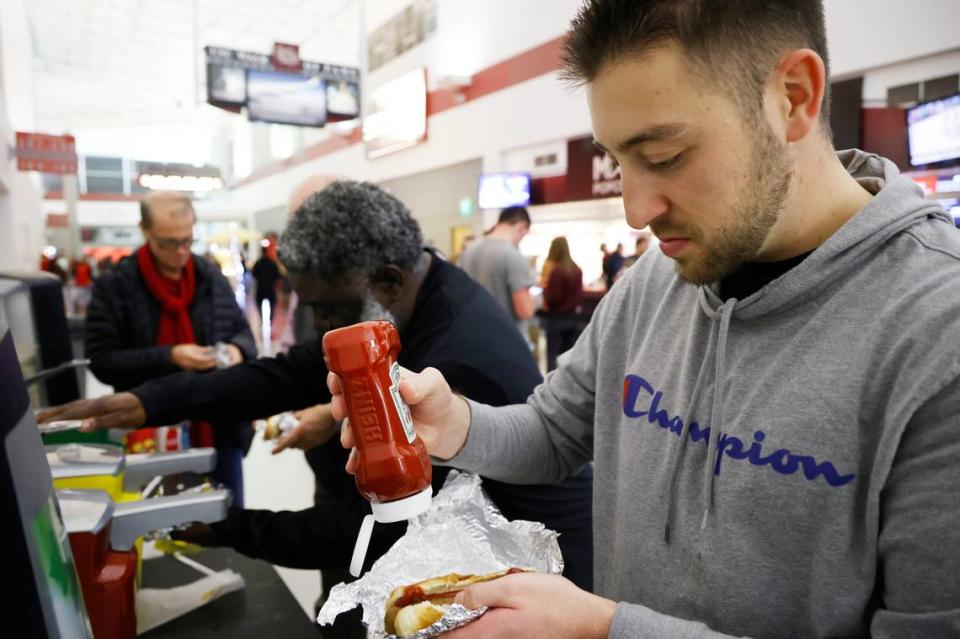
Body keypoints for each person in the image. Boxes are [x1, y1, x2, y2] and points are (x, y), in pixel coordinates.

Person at [327, 1, 960, 636]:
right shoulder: (656, 280)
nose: (635, 210)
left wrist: (605, 629)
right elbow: (554, 432)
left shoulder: (937, 331)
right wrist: (456, 425)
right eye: (617, 159)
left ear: (793, 97)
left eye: (663, 155)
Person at [39, 182, 594, 636]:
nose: (322, 328)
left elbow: (375, 529)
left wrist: (233, 528)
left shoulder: (456, 359)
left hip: (531, 587)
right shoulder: (410, 301)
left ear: (388, 282)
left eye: (329, 309)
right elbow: (283, 374)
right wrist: (148, 402)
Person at [83, 190, 256, 505]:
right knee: (157, 523)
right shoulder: (117, 285)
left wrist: (236, 350)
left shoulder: (208, 276)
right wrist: (170, 355)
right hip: (148, 431)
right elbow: (102, 360)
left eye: (187, 241)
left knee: (226, 519)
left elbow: (243, 333)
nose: (180, 252)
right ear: (145, 230)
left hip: (217, 424)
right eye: (168, 243)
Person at [459, 206, 535, 343]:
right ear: (521, 227)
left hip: (474, 338)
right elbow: (525, 310)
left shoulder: (468, 251)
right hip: (508, 342)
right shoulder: (513, 255)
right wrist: (538, 301)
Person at [540, 236, 584, 371]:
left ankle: (552, 388)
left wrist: (545, 290)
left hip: (555, 318)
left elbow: (553, 298)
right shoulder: (577, 269)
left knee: (552, 355)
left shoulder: (555, 270)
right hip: (573, 318)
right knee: (569, 357)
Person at [252, 248, 280, 321]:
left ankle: (262, 318)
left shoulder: (258, 263)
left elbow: (254, 274)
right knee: (271, 305)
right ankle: (270, 320)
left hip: (261, 287)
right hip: (270, 287)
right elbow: (277, 275)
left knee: (259, 304)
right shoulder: (271, 262)